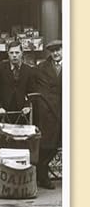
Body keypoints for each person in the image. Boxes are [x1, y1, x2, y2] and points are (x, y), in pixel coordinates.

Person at [34, 39, 62, 189]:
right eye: (53, 51)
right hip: (49, 111)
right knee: (48, 145)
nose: (56, 53)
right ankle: (42, 175)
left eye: (58, 50)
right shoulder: (42, 68)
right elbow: (40, 89)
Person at [0, 41, 35, 123]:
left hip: (22, 112)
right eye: (11, 53)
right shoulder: (0, 68)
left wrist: (27, 105)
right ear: (8, 53)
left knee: (22, 134)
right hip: (3, 111)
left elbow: (32, 90)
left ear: (22, 53)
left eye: (17, 52)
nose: (14, 55)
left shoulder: (28, 70)